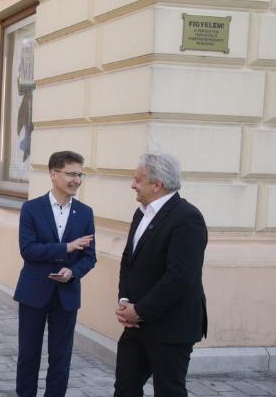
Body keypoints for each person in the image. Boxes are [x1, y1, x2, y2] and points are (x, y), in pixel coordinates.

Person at [114, 152, 208, 397]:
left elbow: (180, 278)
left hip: (171, 326)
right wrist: (124, 301)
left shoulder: (188, 218)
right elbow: (128, 261)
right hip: (136, 325)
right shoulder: (141, 212)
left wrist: (140, 310)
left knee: (169, 391)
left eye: (138, 180)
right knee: (125, 389)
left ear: (157, 185)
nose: (133, 185)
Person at [14, 151, 96, 397]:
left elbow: (89, 257)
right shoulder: (31, 208)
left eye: (80, 174)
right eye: (72, 174)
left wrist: (72, 271)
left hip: (66, 294)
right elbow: (27, 250)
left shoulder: (84, 212)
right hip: (34, 292)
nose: (77, 180)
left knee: (61, 359)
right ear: (53, 174)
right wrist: (66, 247)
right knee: (28, 356)